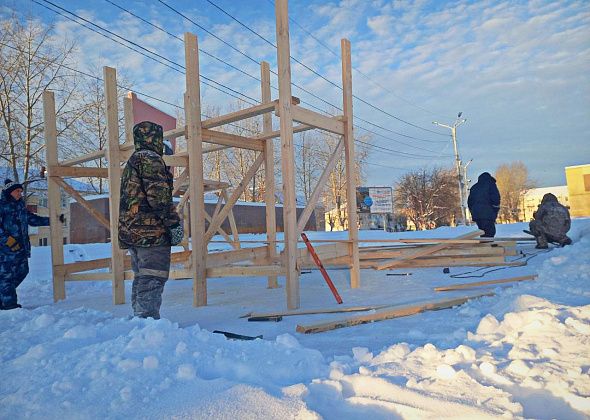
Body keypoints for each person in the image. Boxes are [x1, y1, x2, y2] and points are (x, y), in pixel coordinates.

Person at [118, 121, 183, 319]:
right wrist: (173, 223)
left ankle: (139, 319)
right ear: (154, 138)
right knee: (153, 275)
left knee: (142, 275)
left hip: (133, 232)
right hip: (150, 233)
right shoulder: (151, 159)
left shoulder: (133, 160)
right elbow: (159, 198)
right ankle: (146, 320)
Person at [0, 179, 61, 309]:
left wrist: (53, 221)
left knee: (23, 271)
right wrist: (8, 240)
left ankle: (3, 295)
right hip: (5, 251)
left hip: (20, 248)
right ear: (10, 192)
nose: (20, 194)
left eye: (21, 191)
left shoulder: (20, 206)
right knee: (6, 277)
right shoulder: (2, 206)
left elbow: (33, 219)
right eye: (18, 191)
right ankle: (9, 305)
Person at [467, 172, 501, 237]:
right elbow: (496, 198)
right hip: (488, 213)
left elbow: (469, 202)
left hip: (477, 214)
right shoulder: (491, 184)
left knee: (482, 232)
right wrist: (495, 210)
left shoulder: (474, 187)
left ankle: (484, 245)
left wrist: (473, 211)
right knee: (490, 232)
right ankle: (487, 246)